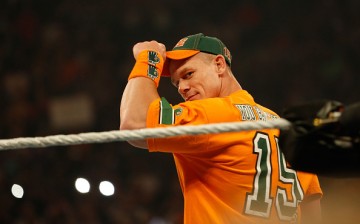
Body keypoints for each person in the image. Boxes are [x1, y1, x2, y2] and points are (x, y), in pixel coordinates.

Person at [120, 33, 323, 224]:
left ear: (219, 65)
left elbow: (135, 124)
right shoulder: (284, 127)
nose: (182, 87)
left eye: (188, 74)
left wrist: (148, 60)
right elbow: (313, 210)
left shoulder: (214, 114)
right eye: (176, 83)